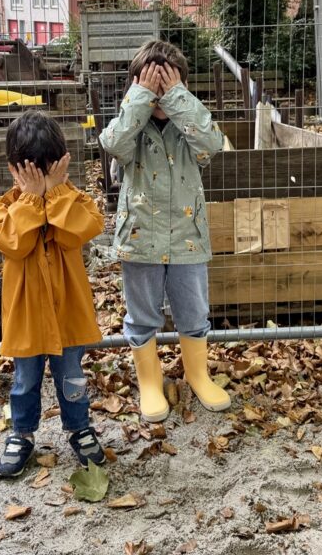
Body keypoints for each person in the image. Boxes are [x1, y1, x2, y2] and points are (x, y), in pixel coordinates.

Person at [99, 40, 230, 423]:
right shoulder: (130, 129)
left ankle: (197, 375)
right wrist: (140, 99)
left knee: (193, 312)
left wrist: (177, 98)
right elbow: (112, 142)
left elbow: (212, 142)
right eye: (151, 87)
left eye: (167, 86)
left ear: (181, 88)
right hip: (140, 239)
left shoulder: (189, 127)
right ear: (136, 87)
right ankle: (150, 382)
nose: (159, 95)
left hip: (188, 237)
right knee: (142, 316)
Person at [0, 111, 107, 477]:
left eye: (46, 171)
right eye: (31, 173)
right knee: (25, 381)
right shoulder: (6, 208)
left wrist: (52, 196)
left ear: (60, 166)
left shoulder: (74, 200)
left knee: (72, 376)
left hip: (67, 313)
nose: (38, 179)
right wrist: (31, 201)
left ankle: (79, 427)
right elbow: (14, 244)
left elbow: (78, 232)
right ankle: (22, 434)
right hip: (27, 318)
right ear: (14, 171)